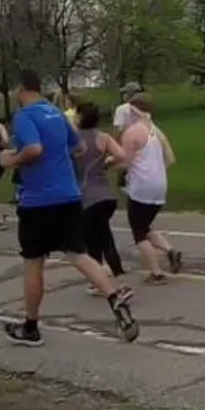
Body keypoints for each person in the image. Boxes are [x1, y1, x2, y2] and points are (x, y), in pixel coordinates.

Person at [0, 69, 138, 347]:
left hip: (39, 199)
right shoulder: (57, 114)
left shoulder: (24, 116)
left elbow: (34, 149)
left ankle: (30, 327)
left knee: (34, 261)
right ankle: (114, 297)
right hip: (69, 194)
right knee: (78, 253)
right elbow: (77, 148)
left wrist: (11, 159)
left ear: (20, 89)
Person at [119, 92, 182, 279]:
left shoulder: (132, 132)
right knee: (144, 225)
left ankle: (156, 272)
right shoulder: (157, 130)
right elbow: (170, 159)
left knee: (138, 232)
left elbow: (124, 163)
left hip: (141, 187)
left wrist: (108, 162)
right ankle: (170, 250)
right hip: (159, 185)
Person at [75, 101, 130, 282]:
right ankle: (118, 274)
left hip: (86, 196)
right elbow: (121, 155)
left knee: (92, 240)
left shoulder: (74, 139)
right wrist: (108, 161)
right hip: (106, 196)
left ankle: (99, 280)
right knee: (103, 234)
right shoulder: (103, 137)